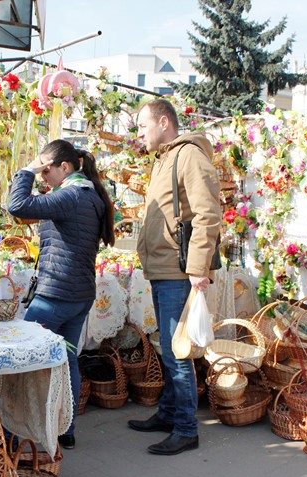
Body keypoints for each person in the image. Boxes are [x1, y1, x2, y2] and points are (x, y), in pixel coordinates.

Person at [7, 139, 115, 450]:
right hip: (78, 296)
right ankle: (66, 428)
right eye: (38, 171)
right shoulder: (89, 194)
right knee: (67, 360)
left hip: (55, 297)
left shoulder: (70, 195)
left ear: (64, 167)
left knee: (23, 361)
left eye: (45, 169)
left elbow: (17, 206)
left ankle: (14, 435)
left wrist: (26, 171)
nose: (42, 176)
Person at [128, 98, 221, 456]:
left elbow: (208, 213)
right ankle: (169, 413)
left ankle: (186, 428)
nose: (139, 133)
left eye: (142, 125)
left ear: (164, 122)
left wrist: (198, 268)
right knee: (168, 348)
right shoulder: (167, 157)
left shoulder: (189, 156)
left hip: (178, 271)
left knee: (177, 352)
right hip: (164, 267)